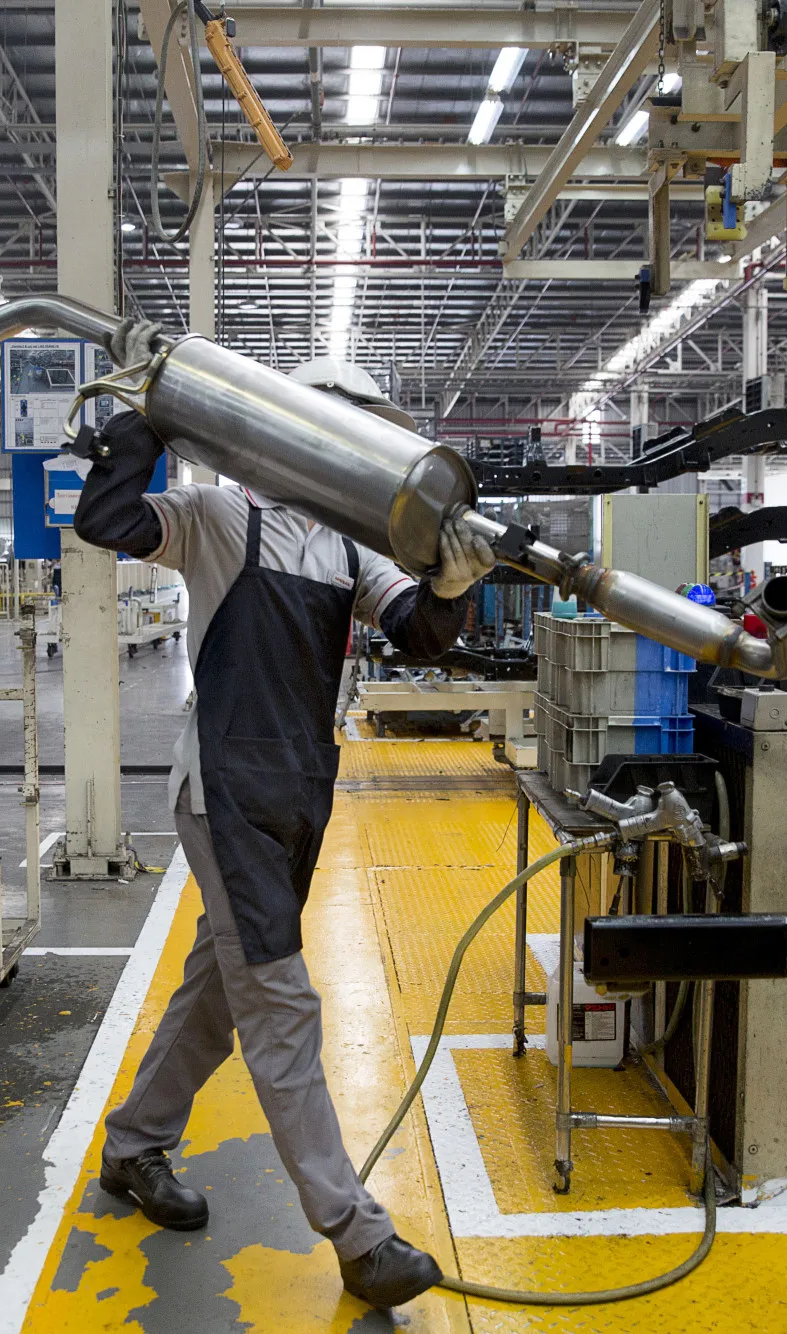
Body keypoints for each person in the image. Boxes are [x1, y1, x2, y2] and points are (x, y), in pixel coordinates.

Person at [71, 323, 497, 1311]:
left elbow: (422, 634)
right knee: (279, 1007)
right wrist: (144, 415)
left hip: (300, 788)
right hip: (223, 790)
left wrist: (455, 573)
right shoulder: (220, 515)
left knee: (220, 994)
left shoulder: (351, 545)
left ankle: (134, 1145)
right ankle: (354, 1232)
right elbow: (109, 517)